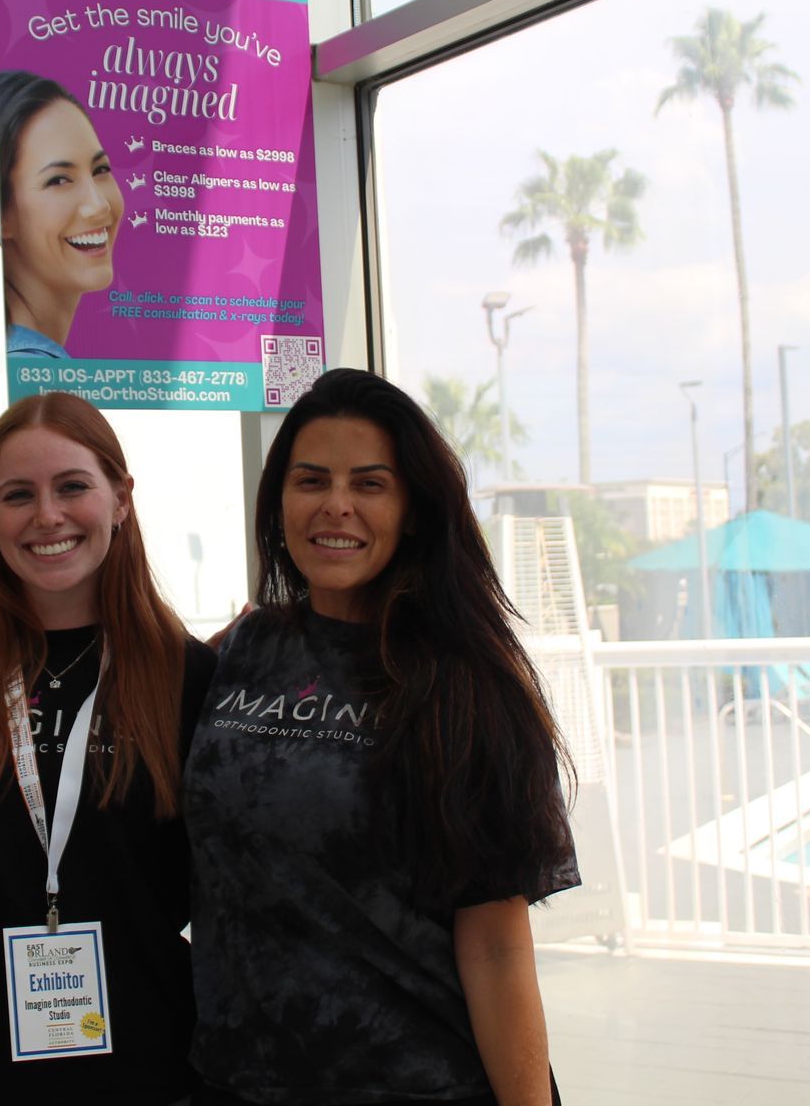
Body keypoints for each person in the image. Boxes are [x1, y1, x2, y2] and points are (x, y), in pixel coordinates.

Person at [185, 368, 578, 1106]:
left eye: (370, 484)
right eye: (311, 481)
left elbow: (495, 946)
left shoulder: (467, 689)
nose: (336, 506)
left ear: (413, 511)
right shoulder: (242, 652)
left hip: (415, 1081)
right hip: (235, 1082)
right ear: (279, 502)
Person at [0, 393, 214, 1104]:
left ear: (121, 498)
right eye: (19, 495)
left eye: (72, 486)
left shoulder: (191, 680)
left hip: (141, 1067)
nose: (47, 516)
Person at [0, 72, 125, 360]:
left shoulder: (31, 362)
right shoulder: (33, 367)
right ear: (3, 214)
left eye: (100, 170)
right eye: (58, 180)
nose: (99, 205)